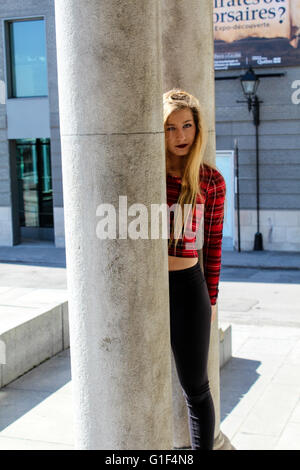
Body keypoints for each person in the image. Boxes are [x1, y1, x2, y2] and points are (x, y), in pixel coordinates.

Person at [164, 89, 226, 450]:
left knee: (196, 388)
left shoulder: (211, 181)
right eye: (170, 128)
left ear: (197, 128)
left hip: (189, 288)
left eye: (186, 125)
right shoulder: (147, 174)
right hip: (147, 287)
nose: (180, 135)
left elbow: (214, 246)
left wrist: (212, 298)